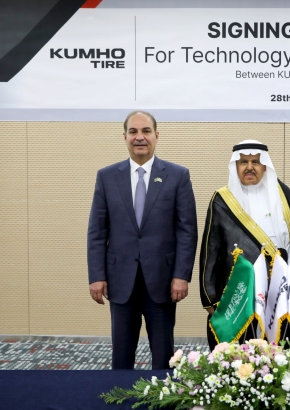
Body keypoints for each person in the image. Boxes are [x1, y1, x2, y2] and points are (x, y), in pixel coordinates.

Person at [87, 111, 198, 370]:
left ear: (156, 136)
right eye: (133, 132)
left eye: (146, 131)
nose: (140, 137)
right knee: (121, 355)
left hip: (162, 281)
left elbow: (187, 231)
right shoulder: (106, 176)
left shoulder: (178, 175)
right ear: (124, 137)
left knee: (163, 355)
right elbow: (97, 231)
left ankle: (162, 403)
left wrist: (182, 275)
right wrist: (96, 275)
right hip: (120, 280)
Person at [199, 140, 290, 350]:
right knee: (237, 357)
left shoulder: (283, 195)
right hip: (237, 293)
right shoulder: (222, 199)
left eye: (256, 162)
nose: (249, 167)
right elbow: (210, 250)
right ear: (235, 167)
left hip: (279, 290)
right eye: (244, 162)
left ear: (265, 165)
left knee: (279, 353)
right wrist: (210, 298)